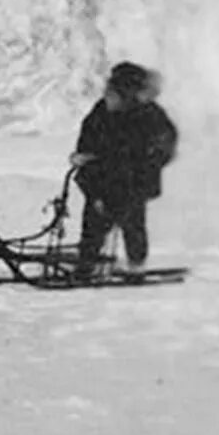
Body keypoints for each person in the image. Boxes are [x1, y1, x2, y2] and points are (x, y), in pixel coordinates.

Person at [69, 61, 180, 278]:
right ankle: (87, 264)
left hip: (133, 183)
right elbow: (88, 138)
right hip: (101, 180)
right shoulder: (101, 112)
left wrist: (147, 162)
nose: (108, 95)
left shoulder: (149, 115)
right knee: (94, 223)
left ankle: (135, 265)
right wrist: (83, 158)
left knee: (132, 224)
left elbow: (165, 145)